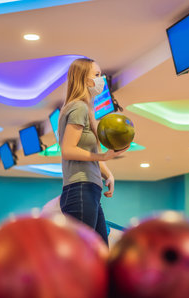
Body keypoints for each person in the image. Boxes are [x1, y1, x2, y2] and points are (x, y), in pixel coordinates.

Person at [58, 58, 127, 245]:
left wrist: (107, 174)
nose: (101, 79)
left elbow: (87, 150)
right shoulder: (78, 107)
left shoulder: (86, 109)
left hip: (89, 189)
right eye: (96, 75)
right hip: (80, 189)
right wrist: (102, 156)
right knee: (85, 257)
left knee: (100, 253)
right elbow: (68, 150)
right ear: (84, 80)